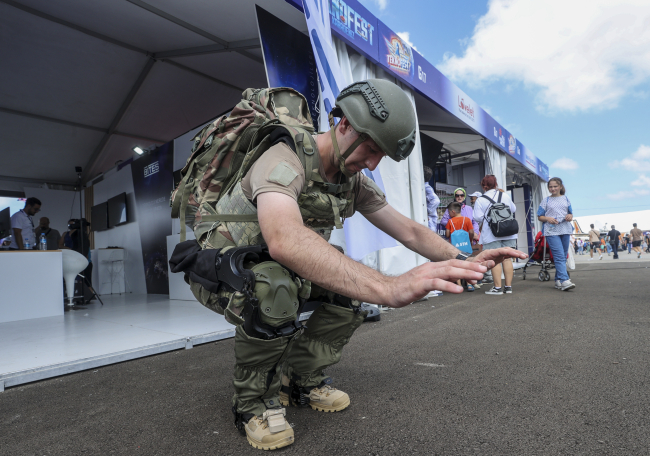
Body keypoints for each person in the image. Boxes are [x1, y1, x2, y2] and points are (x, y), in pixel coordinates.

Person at [169, 79, 528, 451]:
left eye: (380, 157)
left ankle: (301, 380)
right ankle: (252, 404)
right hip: (222, 271)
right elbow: (285, 239)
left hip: (272, 267)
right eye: (371, 149)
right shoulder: (283, 156)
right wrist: (388, 287)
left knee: (346, 290)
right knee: (273, 288)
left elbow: (407, 230)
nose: (372, 163)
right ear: (343, 126)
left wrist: (464, 259)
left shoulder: (349, 180)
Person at [473, 175, 518, 295]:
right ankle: (508, 287)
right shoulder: (504, 195)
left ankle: (497, 288)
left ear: (483, 186)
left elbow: (477, 217)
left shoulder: (481, 199)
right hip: (508, 231)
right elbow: (513, 209)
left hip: (492, 233)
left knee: (495, 260)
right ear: (496, 184)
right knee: (507, 259)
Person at [537, 177, 575, 291]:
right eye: (550, 187)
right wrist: (548, 218)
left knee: (562, 256)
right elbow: (539, 216)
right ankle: (564, 280)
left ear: (560, 187)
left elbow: (571, 213)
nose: (552, 189)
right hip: (551, 230)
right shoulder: (546, 200)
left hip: (565, 229)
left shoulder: (566, 199)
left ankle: (558, 280)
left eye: (555, 186)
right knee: (558, 255)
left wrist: (570, 216)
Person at [445, 201, 475, 291]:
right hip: (466, 246)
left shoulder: (450, 221)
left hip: (455, 247)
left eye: (449, 212)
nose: (449, 214)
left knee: (456, 266)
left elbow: (447, 234)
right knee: (467, 264)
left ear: (453, 212)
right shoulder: (467, 220)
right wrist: (470, 240)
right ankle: (469, 284)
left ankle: (459, 285)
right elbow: (471, 232)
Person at [423, 166, 443, 297]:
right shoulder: (426, 186)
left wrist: (427, 211)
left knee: (429, 256)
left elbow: (436, 200)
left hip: (429, 225)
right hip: (430, 225)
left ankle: (434, 286)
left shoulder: (425, 187)